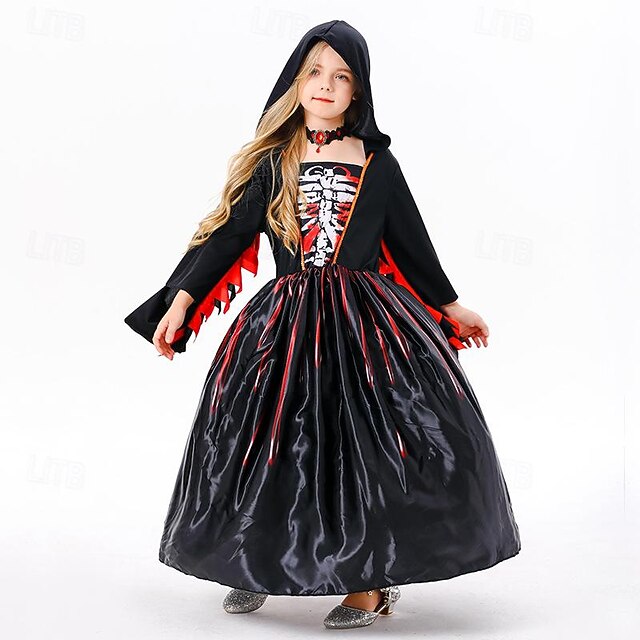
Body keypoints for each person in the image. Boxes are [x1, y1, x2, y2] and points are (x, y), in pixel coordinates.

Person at [124, 19, 521, 630]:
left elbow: (410, 243)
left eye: (342, 76)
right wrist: (181, 300)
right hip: (283, 328)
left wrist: (449, 305)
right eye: (315, 72)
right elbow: (227, 237)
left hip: (365, 328)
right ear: (296, 79)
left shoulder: (376, 162)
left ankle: (369, 583)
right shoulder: (274, 161)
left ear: (359, 90)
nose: (326, 85)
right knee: (267, 441)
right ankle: (252, 563)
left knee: (367, 446)